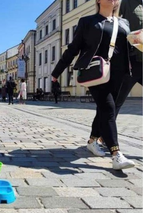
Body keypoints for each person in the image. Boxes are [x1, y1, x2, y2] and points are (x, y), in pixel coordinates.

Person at [51, 0, 135, 170]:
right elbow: (73, 49)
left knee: (104, 109)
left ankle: (92, 141)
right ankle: (116, 154)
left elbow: (129, 49)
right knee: (109, 108)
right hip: (96, 72)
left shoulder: (124, 23)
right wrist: (55, 73)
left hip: (119, 74)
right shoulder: (87, 21)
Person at [91, 0, 143, 148]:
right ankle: (97, 136)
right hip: (131, 61)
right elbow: (114, 25)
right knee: (113, 103)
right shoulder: (127, 3)